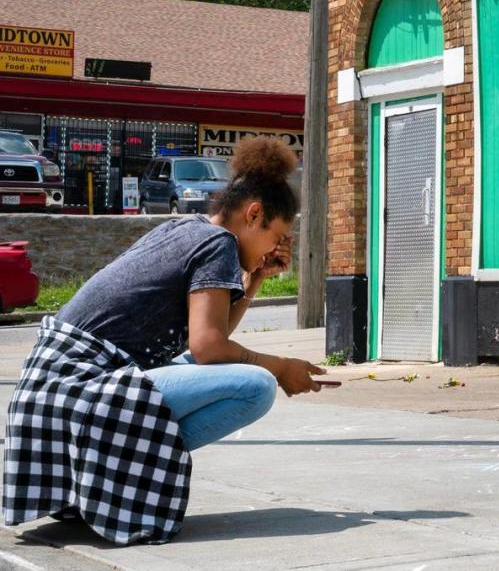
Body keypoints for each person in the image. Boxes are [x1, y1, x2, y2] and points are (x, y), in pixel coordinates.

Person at [3, 136, 334, 545]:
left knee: (240, 371)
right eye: (277, 235)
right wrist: (281, 367)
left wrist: (255, 278)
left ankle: (101, 481)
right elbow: (209, 348)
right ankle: (114, 479)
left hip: (49, 396)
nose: (277, 247)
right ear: (254, 214)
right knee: (257, 386)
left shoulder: (189, 228)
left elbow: (210, 340)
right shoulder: (219, 244)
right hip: (79, 388)